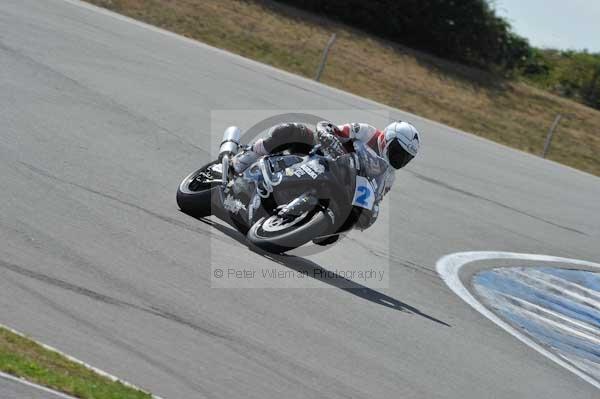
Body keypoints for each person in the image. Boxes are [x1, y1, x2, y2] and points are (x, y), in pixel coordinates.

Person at [232, 120, 421, 242]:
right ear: (388, 139)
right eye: (398, 151)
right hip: (325, 159)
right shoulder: (366, 132)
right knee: (289, 130)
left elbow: (376, 198)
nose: (399, 159)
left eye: (405, 158)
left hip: (342, 188)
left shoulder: (389, 177)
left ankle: (294, 222)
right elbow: (330, 128)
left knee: (332, 235)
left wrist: (370, 211)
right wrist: (330, 138)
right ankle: (243, 160)